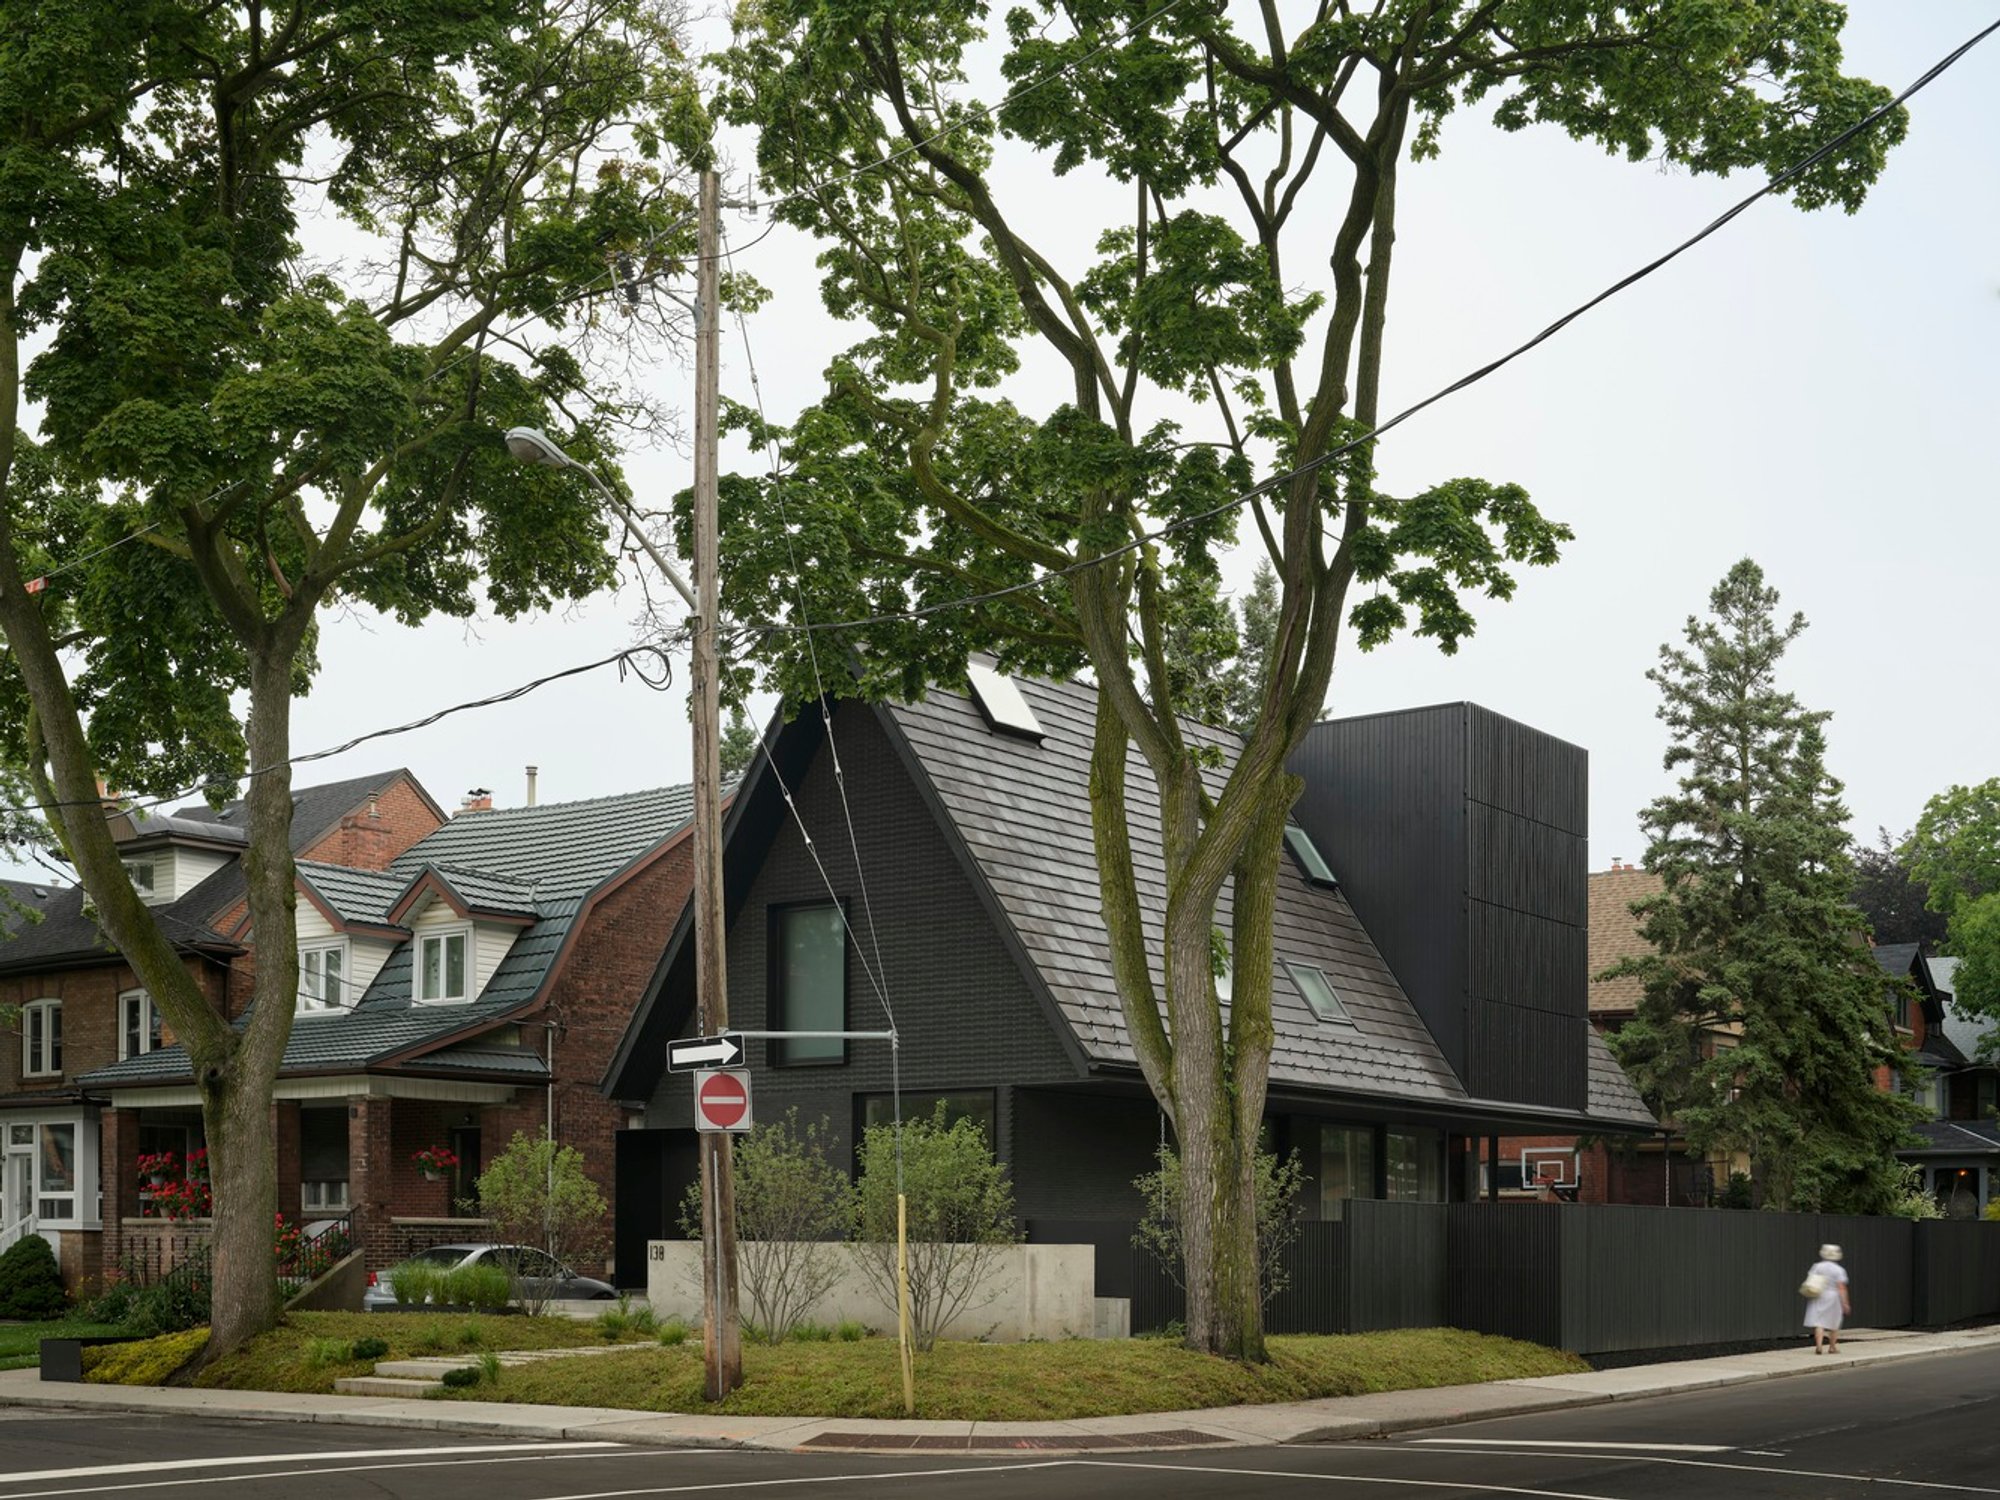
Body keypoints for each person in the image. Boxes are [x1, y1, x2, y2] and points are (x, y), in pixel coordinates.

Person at [1803, 1243, 1851, 1355]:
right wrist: (1845, 1303)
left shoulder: (1817, 1266)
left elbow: (1811, 1279)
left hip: (1818, 1294)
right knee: (1834, 1323)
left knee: (1819, 1322)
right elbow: (1841, 1287)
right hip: (1833, 1296)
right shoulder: (1839, 1270)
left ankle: (1819, 1346)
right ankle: (1832, 1347)